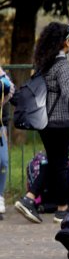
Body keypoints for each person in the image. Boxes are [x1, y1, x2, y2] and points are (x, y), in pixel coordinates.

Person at [14, 22, 69, 224]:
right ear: (64, 42)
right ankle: (62, 209)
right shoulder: (62, 66)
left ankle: (29, 198)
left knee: (55, 161)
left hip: (44, 122)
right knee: (61, 165)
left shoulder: (45, 64)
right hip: (59, 122)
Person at [0, 65, 14, 217]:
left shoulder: (2, 74)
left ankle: (0, 196)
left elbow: (10, 90)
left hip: (0, 125)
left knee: (3, 161)